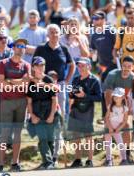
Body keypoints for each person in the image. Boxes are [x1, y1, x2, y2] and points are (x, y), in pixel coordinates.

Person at [33, 24, 75, 162]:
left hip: (60, 85)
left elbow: (72, 64)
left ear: (60, 34)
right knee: (44, 113)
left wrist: (67, 81)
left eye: (56, 32)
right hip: (42, 86)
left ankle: (59, 139)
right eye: (51, 32)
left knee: (59, 113)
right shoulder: (40, 48)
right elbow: (33, 66)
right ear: (47, 34)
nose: (54, 34)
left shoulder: (63, 48)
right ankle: (46, 144)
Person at [0, 38, 31, 172]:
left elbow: (26, 84)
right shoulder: (4, 64)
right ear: (13, 47)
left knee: (18, 133)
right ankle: (0, 164)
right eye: (18, 45)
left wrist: (10, 81)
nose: (21, 48)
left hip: (21, 102)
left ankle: (15, 163)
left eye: (23, 46)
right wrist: (18, 81)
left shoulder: (26, 65)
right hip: (6, 102)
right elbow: (1, 84)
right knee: (4, 133)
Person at [68, 58, 102, 168]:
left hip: (87, 110)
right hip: (75, 109)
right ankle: (78, 159)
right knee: (76, 135)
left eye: (83, 66)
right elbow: (72, 95)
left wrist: (85, 96)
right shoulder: (76, 79)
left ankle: (89, 160)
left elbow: (99, 97)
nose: (80, 68)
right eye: (79, 66)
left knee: (88, 136)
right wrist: (71, 95)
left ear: (89, 66)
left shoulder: (94, 80)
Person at [27, 56, 58, 170]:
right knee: (43, 138)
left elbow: (54, 99)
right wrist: (32, 115)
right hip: (37, 112)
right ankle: (48, 162)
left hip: (49, 112)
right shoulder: (31, 83)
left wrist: (52, 115)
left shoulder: (49, 80)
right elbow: (29, 101)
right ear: (33, 67)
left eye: (42, 65)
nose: (40, 68)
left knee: (50, 139)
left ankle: (50, 161)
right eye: (37, 66)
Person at [104, 55, 134, 163]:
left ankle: (127, 155)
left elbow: (133, 96)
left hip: (125, 106)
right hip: (111, 105)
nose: (126, 68)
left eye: (129, 66)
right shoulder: (112, 75)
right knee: (107, 128)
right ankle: (108, 157)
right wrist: (110, 111)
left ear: (133, 67)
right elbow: (107, 94)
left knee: (127, 126)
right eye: (124, 66)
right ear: (121, 66)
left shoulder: (133, 78)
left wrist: (129, 109)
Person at [90, 11, 116, 124]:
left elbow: (118, 46)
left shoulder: (111, 31)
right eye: (93, 18)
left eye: (97, 18)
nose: (94, 20)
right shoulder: (94, 34)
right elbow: (94, 52)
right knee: (104, 93)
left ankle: (116, 117)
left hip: (114, 66)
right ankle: (106, 117)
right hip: (102, 67)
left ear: (103, 19)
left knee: (114, 93)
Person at [104, 87, 128, 166]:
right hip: (108, 127)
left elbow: (125, 120)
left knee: (120, 143)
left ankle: (124, 159)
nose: (116, 98)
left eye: (118, 97)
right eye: (115, 97)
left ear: (123, 97)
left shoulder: (125, 108)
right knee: (108, 143)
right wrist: (110, 127)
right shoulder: (111, 106)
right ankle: (109, 159)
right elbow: (106, 118)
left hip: (118, 128)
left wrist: (118, 129)